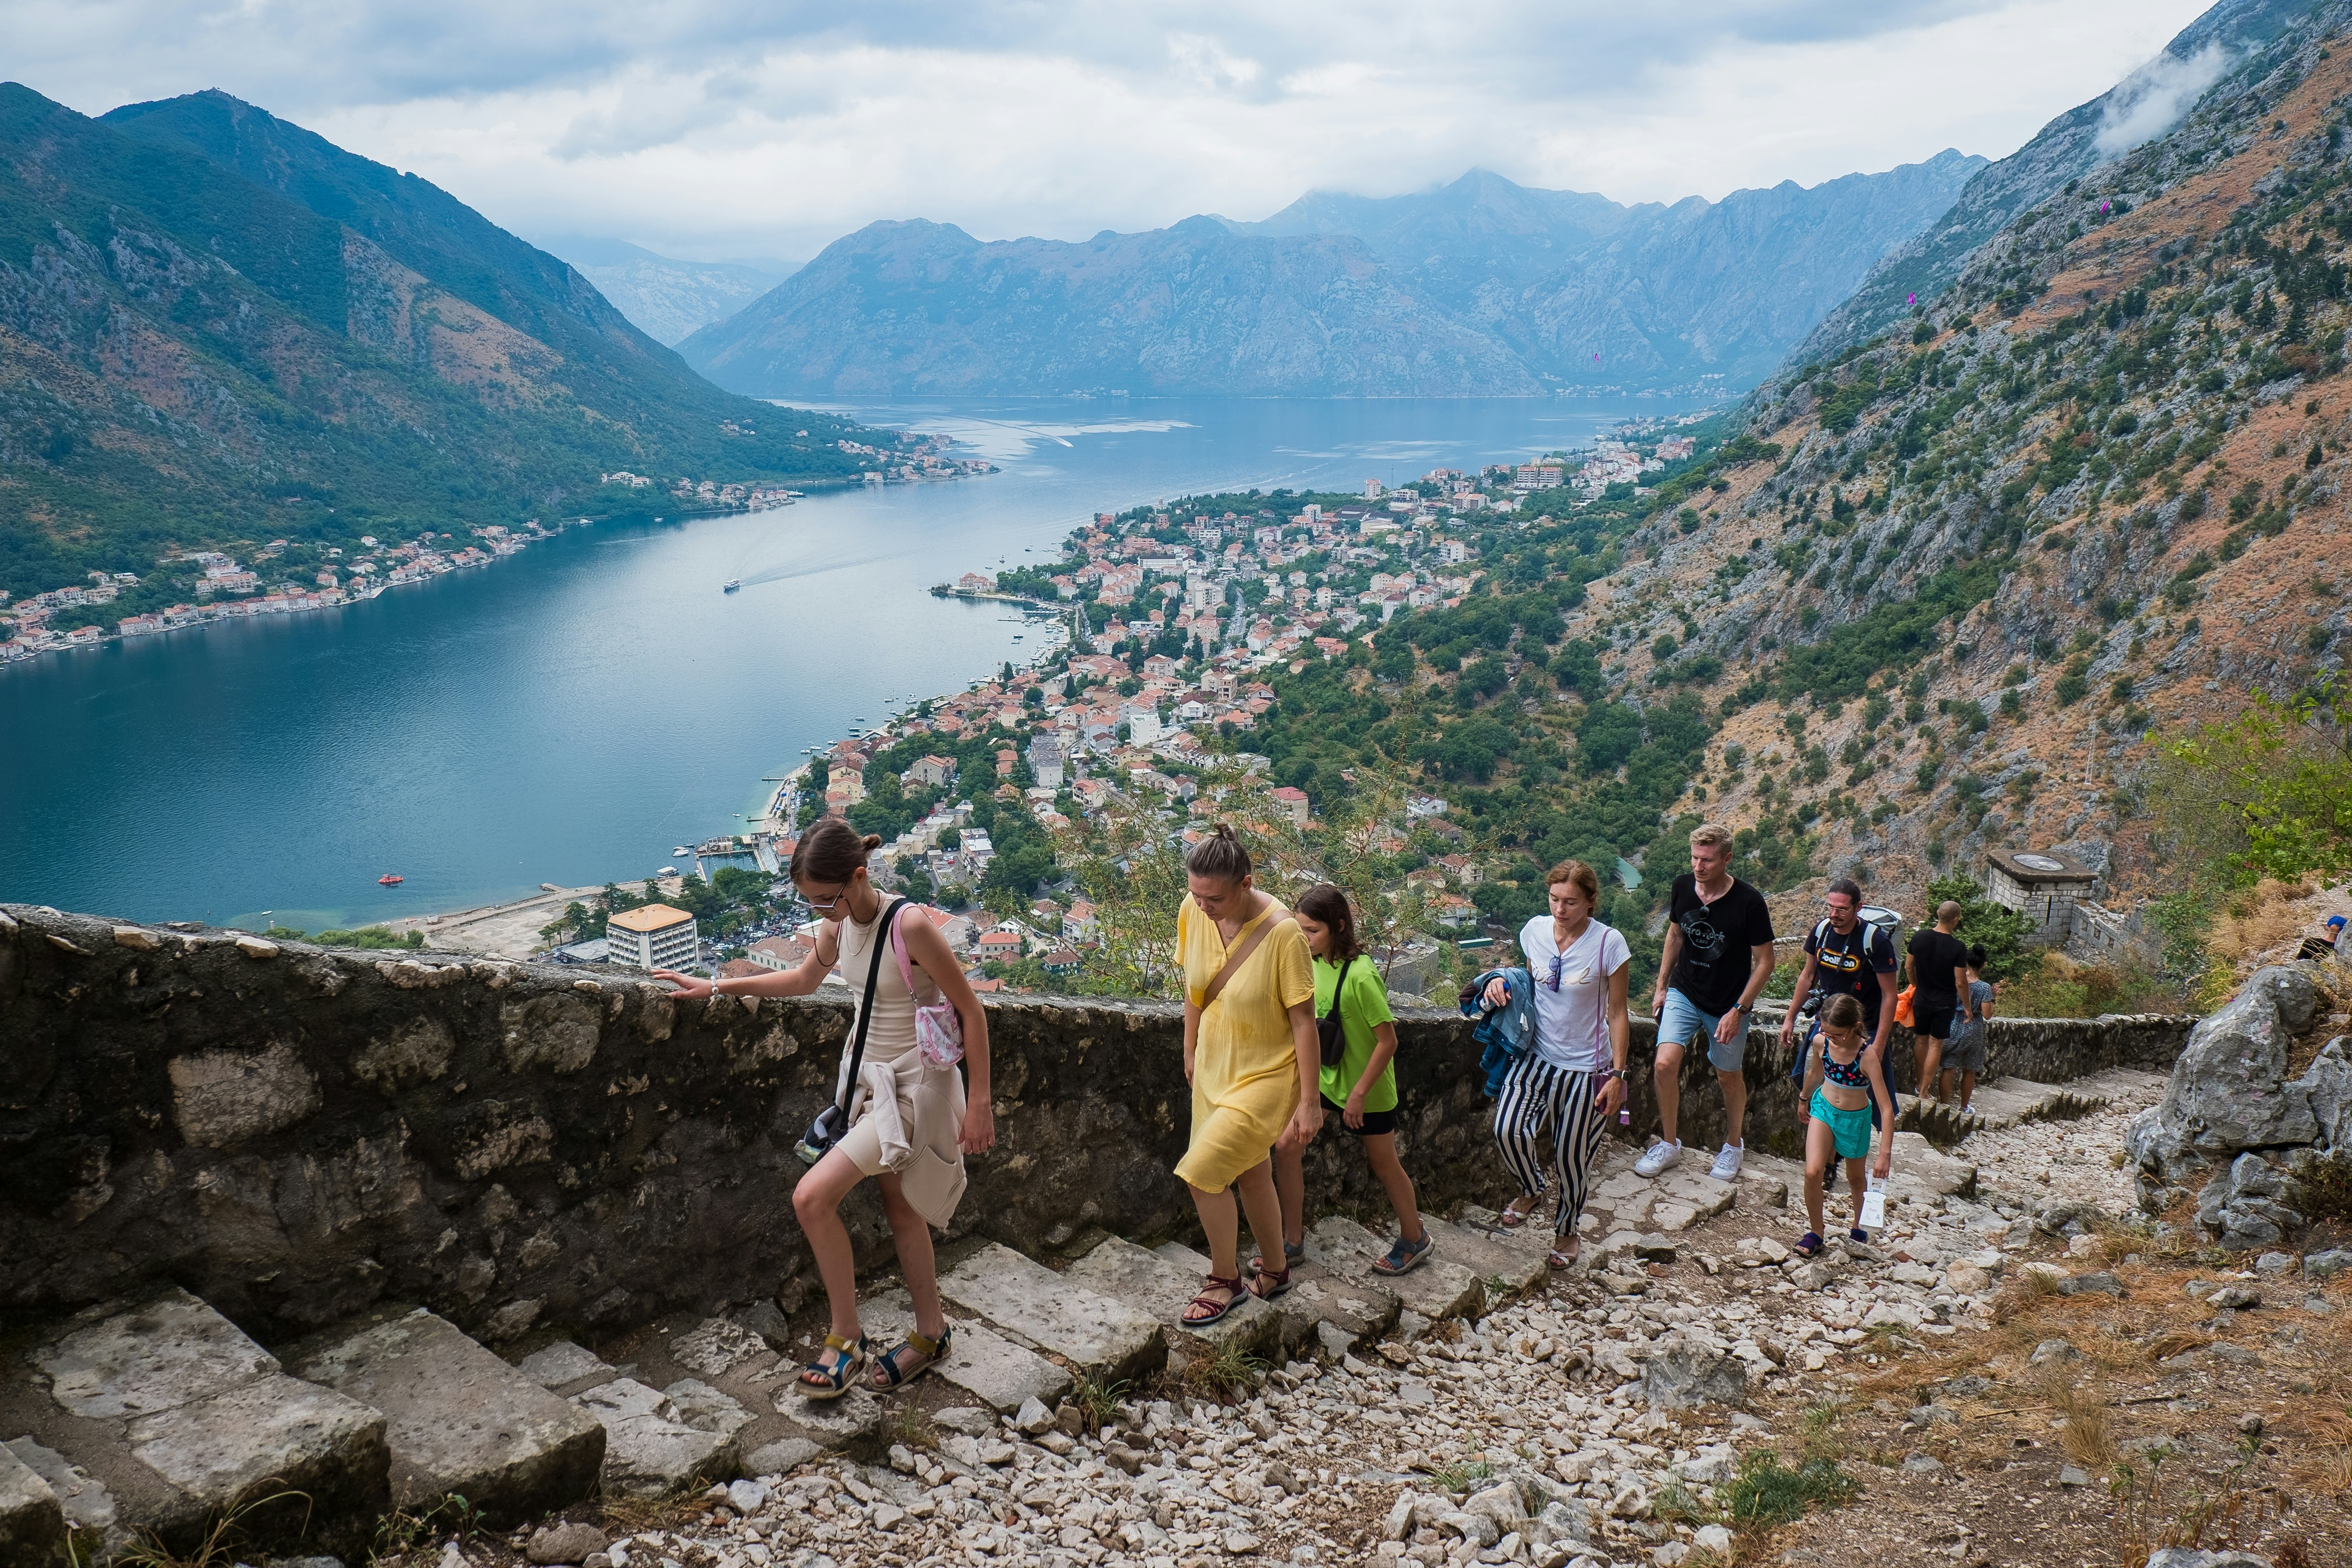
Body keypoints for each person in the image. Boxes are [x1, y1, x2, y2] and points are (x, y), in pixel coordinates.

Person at [653, 817, 993, 1396]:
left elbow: (972, 1011)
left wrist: (981, 1100)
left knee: (811, 1198)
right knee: (903, 1209)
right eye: (809, 901)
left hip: (914, 1089)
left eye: (824, 899)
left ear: (858, 877)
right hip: (865, 1088)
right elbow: (806, 980)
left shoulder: (908, 926)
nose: (817, 910)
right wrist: (716, 987)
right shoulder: (837, 926)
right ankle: (931, 1334)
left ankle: (846, 1339)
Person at [1173, 827, 1322, 1325]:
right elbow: (1196, 987)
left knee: (1202, 1172)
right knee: (1251, 1171)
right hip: (1216, 1066)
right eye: (1196, 894)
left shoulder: (1283, 935)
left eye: (1213, 897)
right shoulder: (1194, 911)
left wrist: (1309, 1101)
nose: (1202, 906)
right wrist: (1190, 1046)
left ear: (1245, 883)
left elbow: (1305, 1021)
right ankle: (1276, 1270)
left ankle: (1225, 1279)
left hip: (1268, 1075)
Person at [1269, 885, 1431, 1276]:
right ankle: (1291, 1242)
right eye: (1300, 929)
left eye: (1312, 931)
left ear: (1338, 926)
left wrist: (1358, 1094)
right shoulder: (1313, 964)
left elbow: (1388, 1041)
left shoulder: (1362, 975)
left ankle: (1415, 1238)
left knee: (1384, 1164)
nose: (1303, 938)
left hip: (1367, 1089)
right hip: (1327, 1080)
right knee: (1287, 1145)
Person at [1486, 860, 1632, 1269]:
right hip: (1536, 1055)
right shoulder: (1534, 930)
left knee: (1572, 1159)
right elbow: (1527, 980)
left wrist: (1619, 1075)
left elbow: (1619, 1012)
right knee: (1507, 1128)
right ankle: (1532, 1188)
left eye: (1571, 902)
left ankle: (1568, 1232)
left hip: (1588, 1067)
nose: (1560, 909)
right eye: (1554, 899)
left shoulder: (1609, 944)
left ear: (1590, 902)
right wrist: (1500, 978)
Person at [1642, 822, 1776, 1181]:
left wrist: (1739, 1010)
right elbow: (1674, 936)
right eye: (1695, 858)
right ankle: (1670, 1145)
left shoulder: (1749, 902)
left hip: (1728, 1003)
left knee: (1728, 1076)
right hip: (1685, 991)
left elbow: (1766, 962)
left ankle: (1733, 1146)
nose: (1699, 867)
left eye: (1708, 861)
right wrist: (1662, 987)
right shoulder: (1683, 887)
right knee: (1664, 1065)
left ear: (1727, 859)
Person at [1794, 993, 1895, 1256]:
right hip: (1824, 1110)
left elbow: (1886, 1108)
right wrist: (1804, 1098)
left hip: (1855, 1120)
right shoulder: (1820, 1042)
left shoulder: (1867, 1055)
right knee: (1813, 1172)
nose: (1831, 1038)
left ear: (1854, 1027)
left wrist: (1885, 1155)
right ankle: (1816, 1232)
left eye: (1838, 1034)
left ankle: (1858, 1225)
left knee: (1855, 1178)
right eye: (1827, 1032)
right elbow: (1817, 1072)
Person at [1777, 878, 1897, 1089]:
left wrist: (1879, 1044)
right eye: (1830, 907)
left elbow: (1889, 995)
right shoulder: (1821, 931)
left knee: (1863, 1095)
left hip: (1864, 1029)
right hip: (1827, 1025)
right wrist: (1790, 1018)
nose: (1834, 915)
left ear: (1858, 907)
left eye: (1842, 910)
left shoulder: (1876, 942)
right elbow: (1808, 976)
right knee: (1812, 1085)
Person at [1905, 901, 1970, 1104]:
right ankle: (1924, 1091)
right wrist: (1968, 1008)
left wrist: (1917, 985)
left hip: (1922, 1000)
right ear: (1956, 920)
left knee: (1921, 1041)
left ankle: (1918, 1084)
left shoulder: (1919, 937)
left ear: (1937, 914)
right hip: (1944, 1003)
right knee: (1935, 1045)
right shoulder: (1958, 948)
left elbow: (1908, 967)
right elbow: (1960, 982)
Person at [1940, 945, 1994, 1110]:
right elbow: (1987, 1014)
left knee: (1949, 1067)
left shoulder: (1956, 982)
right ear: (1983, 965)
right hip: (1974, 1031)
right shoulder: (1984, 988)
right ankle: (1964, 1107)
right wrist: (1993, 998)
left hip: (1953, 1025)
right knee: (1969, 1070)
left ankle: (1944, 1106)